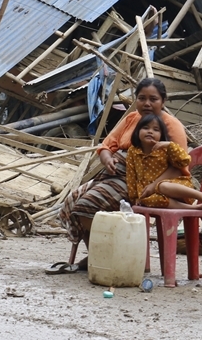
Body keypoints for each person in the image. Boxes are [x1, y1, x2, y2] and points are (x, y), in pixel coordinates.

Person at [56, 77, 188, 270]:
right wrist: (108, 159)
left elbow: (178, 165)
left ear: (163, 101)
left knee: (86, 205)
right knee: (72, 201)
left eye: (153, 99)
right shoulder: (131, 119)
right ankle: (98, 254)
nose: (147, 103)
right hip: (114, 176)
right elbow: (106, 146)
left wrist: (153, 185)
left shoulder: (171, 125)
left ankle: (110, 254)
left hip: (145, 184)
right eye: (142, 98)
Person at [126, 113, 202, 212]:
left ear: (161, 135)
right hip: (153, 194)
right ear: (137, 131)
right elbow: (131, 175)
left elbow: (184, 161)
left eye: (156, 129)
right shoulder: (133, 151)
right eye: (145, 128)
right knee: (147, 199)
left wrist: (170, 145)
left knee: (162, 186)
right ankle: (192, 208)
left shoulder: (165, 149)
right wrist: (134, 197)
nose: (150, 132)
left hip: (177, 187)